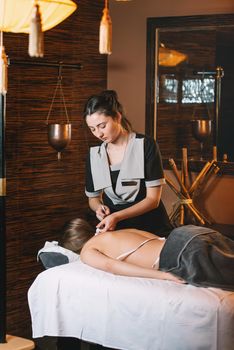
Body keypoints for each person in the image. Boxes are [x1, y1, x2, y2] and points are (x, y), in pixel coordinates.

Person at [83, 89, 172, 236]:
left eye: (102, 126)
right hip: (116, 230)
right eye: (92, 129)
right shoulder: (94, 155)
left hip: (152, 228)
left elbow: (153, 200)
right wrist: (98, 207)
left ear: (117, 117)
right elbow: (93, 198)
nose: (98, 134)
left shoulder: (145, 145)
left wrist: (117, 216)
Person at [60, 218, 234, 290]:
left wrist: (163, 275)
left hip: (180, 253)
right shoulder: (113, 233)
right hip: (186, 233)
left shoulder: (87, 251)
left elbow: (111, 266)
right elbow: (153, 238)